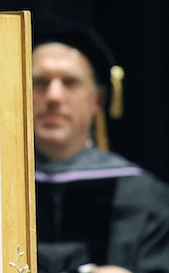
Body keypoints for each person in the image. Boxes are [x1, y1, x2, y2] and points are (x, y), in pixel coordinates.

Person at [32, 14, 169, 272]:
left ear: (99, 99)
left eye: (70, 82)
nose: (53, 96)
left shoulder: (144, 197)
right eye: (39, 82)